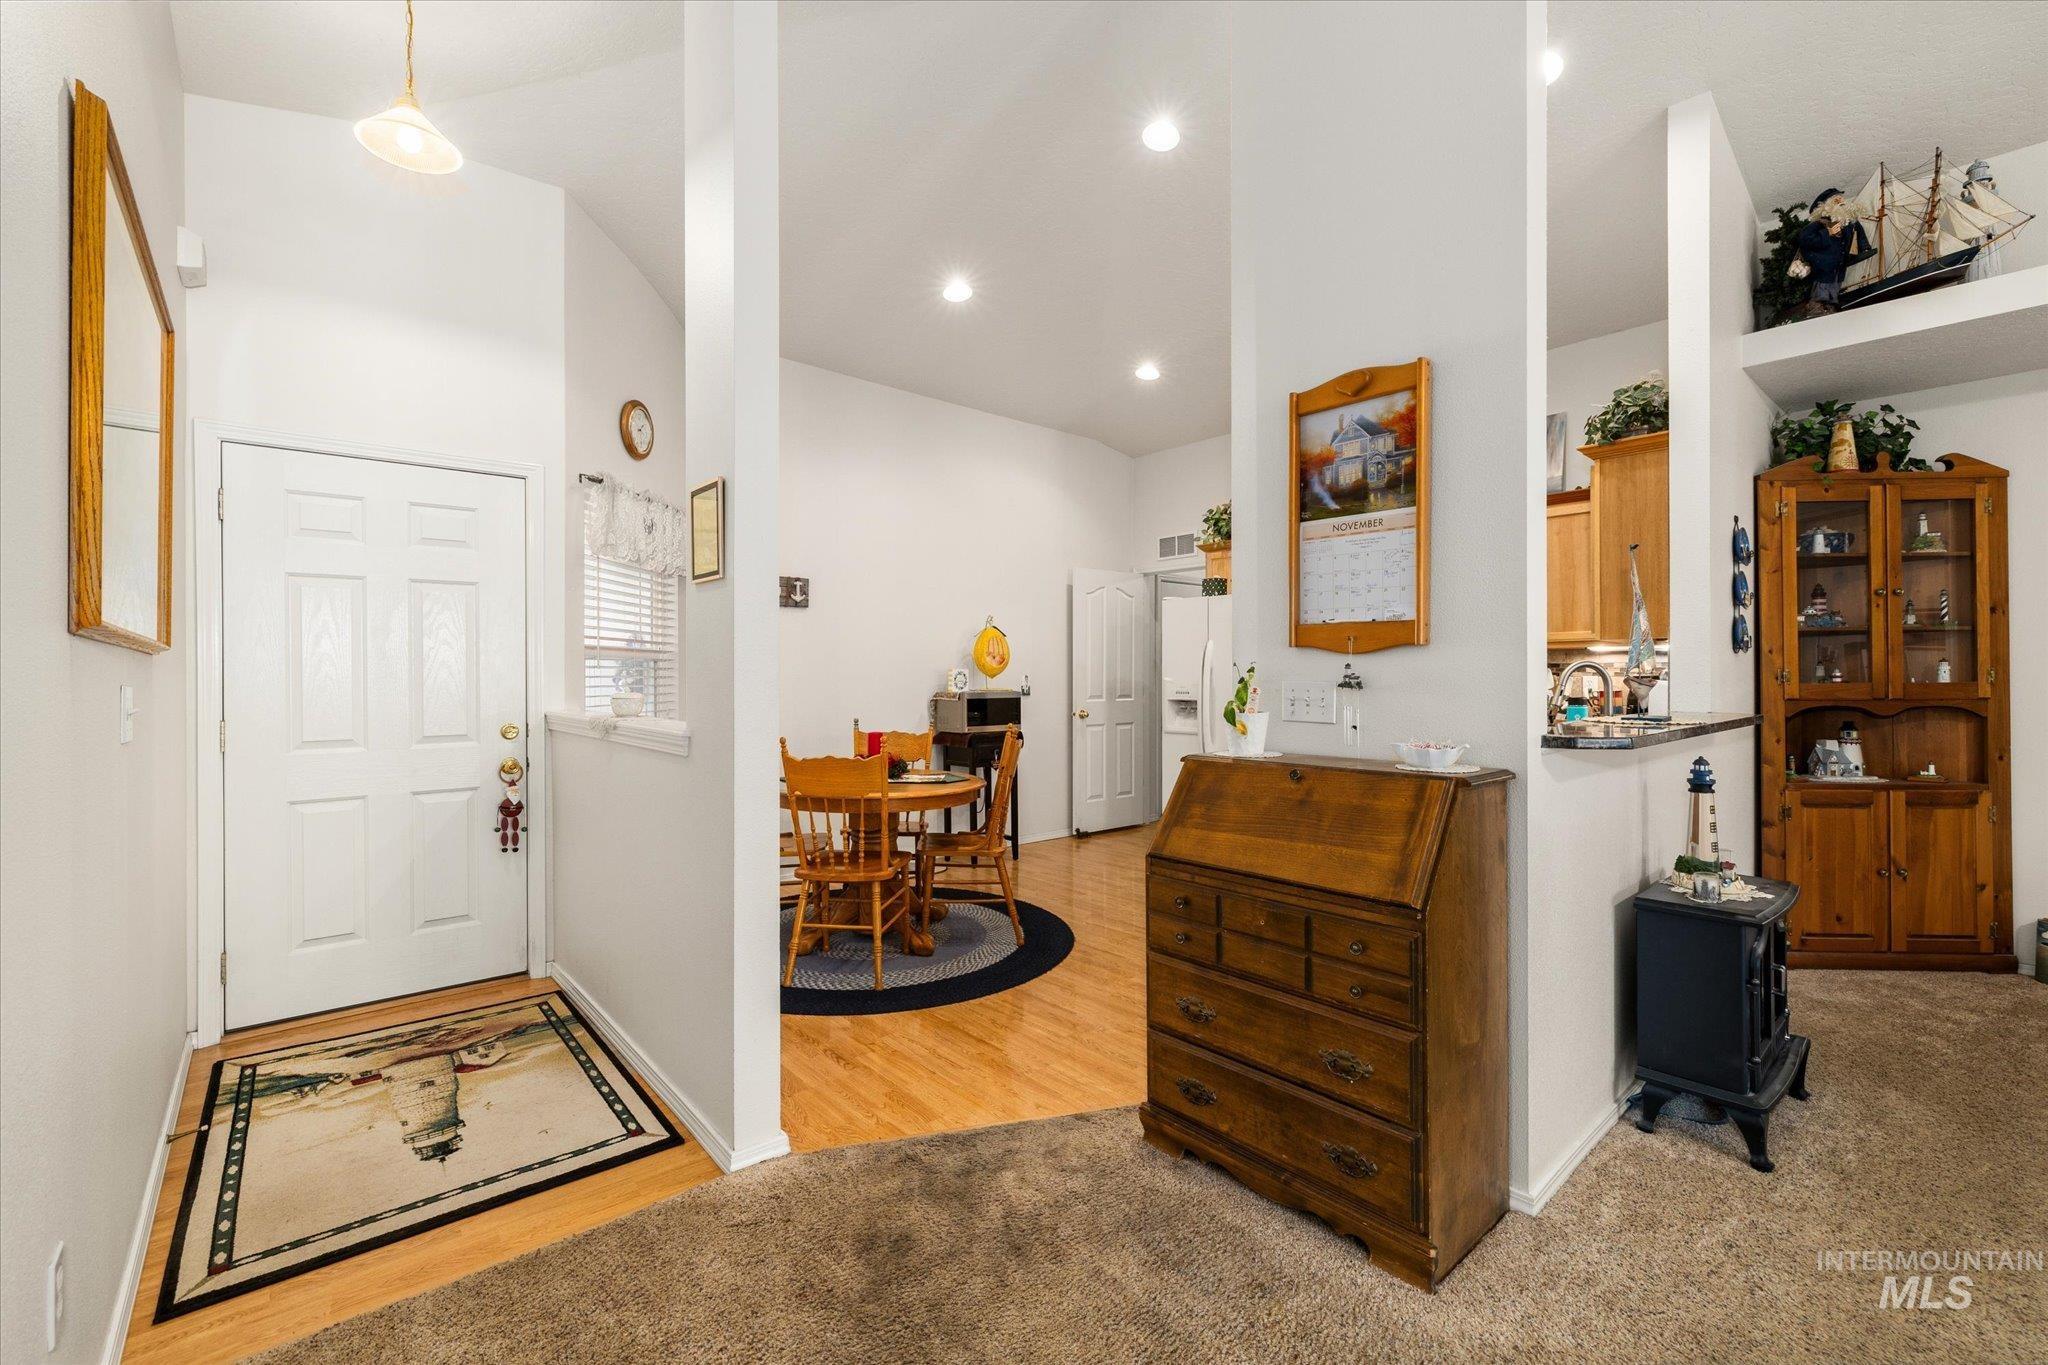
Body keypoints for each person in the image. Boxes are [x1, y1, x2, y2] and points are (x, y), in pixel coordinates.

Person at [1791, 187, 1871, 313]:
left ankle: (1831, 305)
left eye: (1841, 200)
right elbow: (1805, 239)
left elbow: (1859, 235)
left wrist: (1865, 248)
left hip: (1839, 264)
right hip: (1823, 264)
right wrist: (1827, 233)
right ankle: (1817, 306)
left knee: (1836, 284)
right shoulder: (1820, 224)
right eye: (1836, 200)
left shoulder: (1850, 223)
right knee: (1823, 285)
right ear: (1827, 206)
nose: (1841, 202)